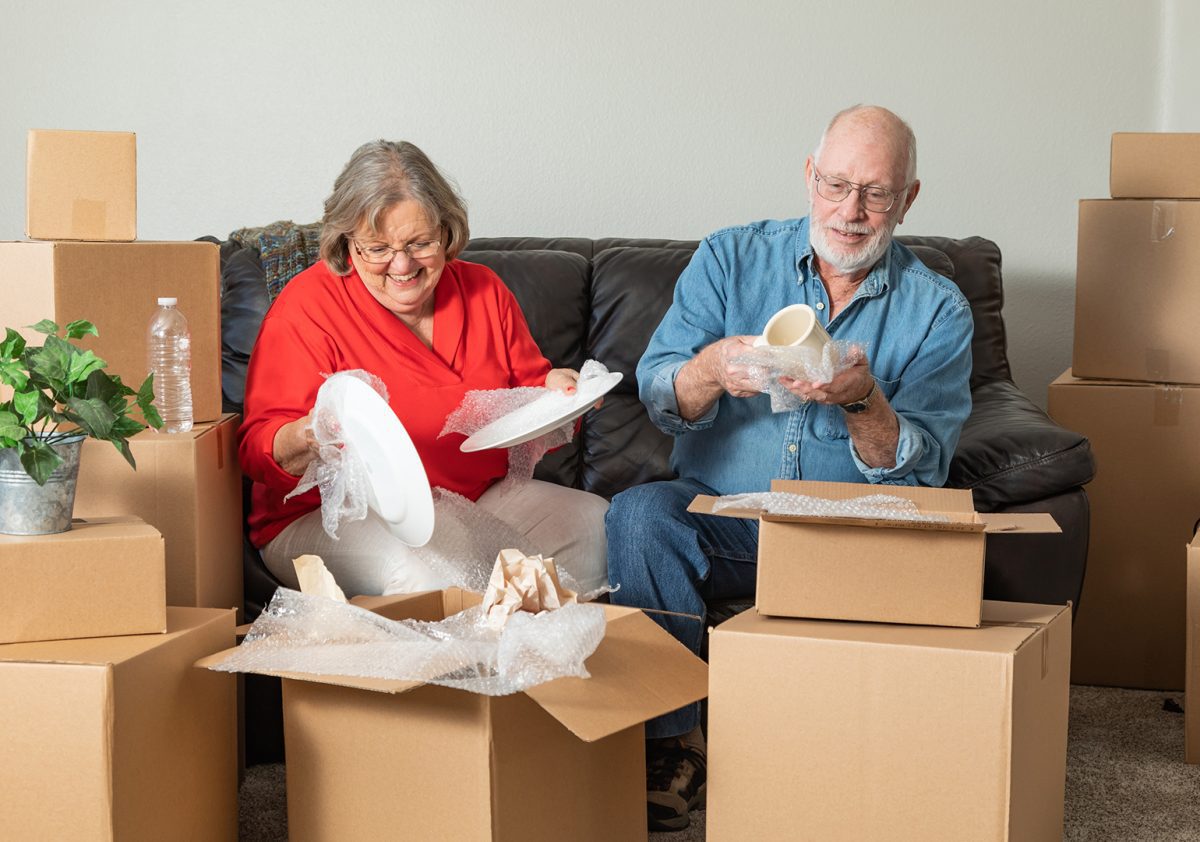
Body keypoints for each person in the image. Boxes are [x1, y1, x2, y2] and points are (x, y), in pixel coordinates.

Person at [605, 105, 974, 831]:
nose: (852, 211)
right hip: (725, 516)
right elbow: (658, 390)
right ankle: (674, 744)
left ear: (909, 198)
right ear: (809, 177)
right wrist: (712, 368)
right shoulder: (729, 257)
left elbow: (920, 478)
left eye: (876, 192)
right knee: (640, 514)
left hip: (848, 530)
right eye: (837, 185)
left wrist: (864, 400)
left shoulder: (938, 310)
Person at [239, 140, 609, 597]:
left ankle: (545, 659)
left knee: (596, 526)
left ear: (447, 232)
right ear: (345, 242)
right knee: (423, 574)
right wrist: (307, 436)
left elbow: (528, 388)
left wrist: (558, 387)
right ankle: (472, 664)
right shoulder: (307, 306)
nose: (401, 265)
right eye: (377, 248)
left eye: (420, 243)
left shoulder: (484, 291)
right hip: (334, 517)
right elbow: (256, 449)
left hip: (470, 500)